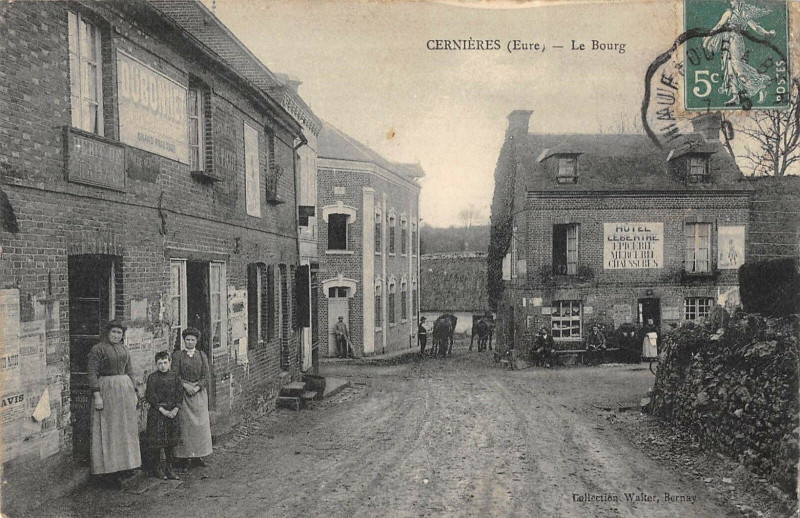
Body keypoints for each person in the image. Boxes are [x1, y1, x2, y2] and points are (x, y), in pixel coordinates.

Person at [86, 320, 142, 485]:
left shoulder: (124, 349)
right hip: (107, 389)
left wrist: (134, 391)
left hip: (124, 390)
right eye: (113, 332)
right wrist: (97, 395)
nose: (116, 335)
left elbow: (130, 370)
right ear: (107, 333)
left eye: (119, 333)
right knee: (110, 428)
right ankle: (108, 470)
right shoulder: (98, 349)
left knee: (124, 427)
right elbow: (92, 373)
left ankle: (126, 465)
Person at [702, 0, 775, 106]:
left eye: (733, 0)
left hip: (735, 42)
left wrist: (767, 33)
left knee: (738, 69)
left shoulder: (741, 14)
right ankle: (735, 97)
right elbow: (718, 26)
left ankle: (759, 86)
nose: (731, 2)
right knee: (730, 70)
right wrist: (707, 39)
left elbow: (755, 27)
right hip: (727, 43)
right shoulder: (729, 13)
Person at [172, 328, 213, 466]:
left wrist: (196, 387)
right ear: (184, 341)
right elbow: (175, 375)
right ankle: (185, 457)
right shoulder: (178, 356)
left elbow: (206, 376)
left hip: (198, 394)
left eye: (192, 340)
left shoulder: (201, 355)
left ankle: (199, 455)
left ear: (197, 341)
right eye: (187, 340)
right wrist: (185, 385)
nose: (189, 342)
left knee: (200, 425)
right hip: (184, 394)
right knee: (186, 426)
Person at [145, 351, 183, 480]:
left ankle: (170, 468)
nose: (162, 366)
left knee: (171, 442)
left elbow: (179, 394)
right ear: (156, 364)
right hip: (158, 413)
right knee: (157, 442)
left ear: (170, 362)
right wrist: (163, 410)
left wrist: (175, 409)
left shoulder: (175, 377)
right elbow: (150, 396)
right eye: (159, 363)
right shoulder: (152, 378)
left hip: (173, 413)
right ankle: (157, 469)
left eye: (165, 363)